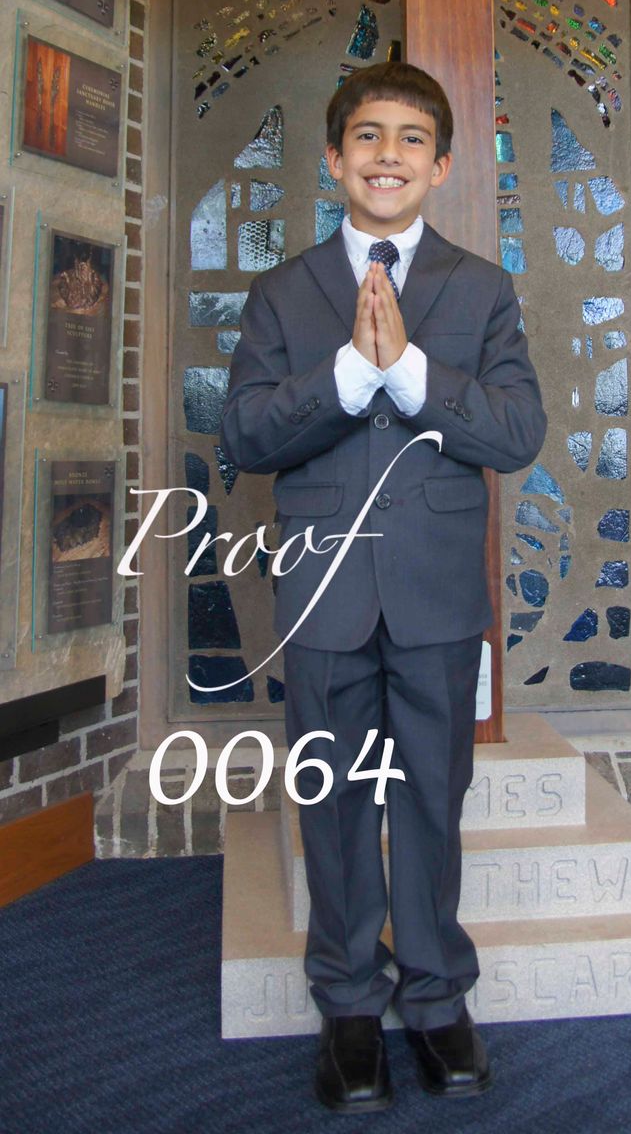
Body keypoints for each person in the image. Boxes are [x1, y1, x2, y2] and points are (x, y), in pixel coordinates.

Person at [220, 60, 546, 1113]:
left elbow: (515, 431)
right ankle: (349, 1004)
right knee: (334, 803)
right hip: (322, 597)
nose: (388, 155)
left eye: (412, 138)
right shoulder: (281, 292)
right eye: (367, 135)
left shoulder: (481, 288)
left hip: (435, 595)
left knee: (430, 800)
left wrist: (408, 372)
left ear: (441, 165)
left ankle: (437, 996)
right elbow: (246, 434)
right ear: (333, 159)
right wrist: (349, 374)